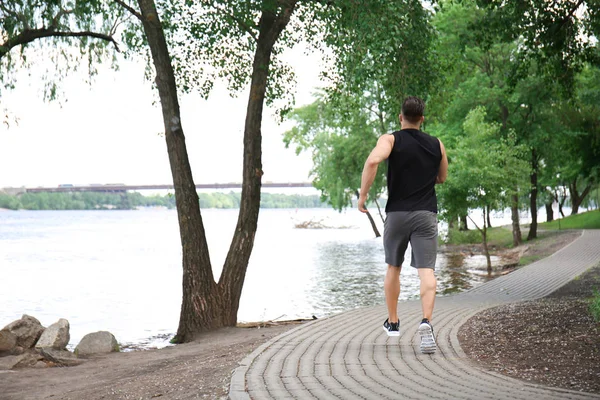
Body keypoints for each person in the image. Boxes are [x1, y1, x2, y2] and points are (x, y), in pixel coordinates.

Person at [358, 96, 448, 354]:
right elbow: (441, 177)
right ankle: (426, 322)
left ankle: (394, 322)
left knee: (393, 267)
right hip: (425, 214)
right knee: (426, 271)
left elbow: (373, 161)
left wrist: (363, 196)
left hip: (397, 213)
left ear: (401, 117)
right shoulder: (437, 144)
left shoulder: (390, 139)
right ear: (422, 118)